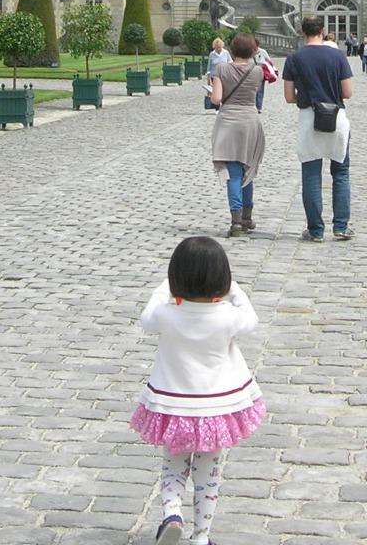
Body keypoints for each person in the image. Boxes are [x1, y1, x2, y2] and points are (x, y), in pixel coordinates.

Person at [131, 236, 265, 545]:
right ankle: (201, 537)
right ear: (222, 278)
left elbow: (146, 316)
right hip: (215, 410)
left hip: (173, 406)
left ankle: (172, 514)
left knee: (173, 467)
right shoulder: (228, 317)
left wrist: (165, 287)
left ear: (176, 276)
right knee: (209, 475)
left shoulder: (167, 316)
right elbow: (252, 319)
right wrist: (234, 290)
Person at [282, 15, 354, 241]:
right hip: (336, 117)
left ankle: (315, 230)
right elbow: (347, 92)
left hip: (308, 118)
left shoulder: (294, 58)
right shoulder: (337, 55)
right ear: (322, 31)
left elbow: (288, 97)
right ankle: (341, 226)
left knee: (311, 175)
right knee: (340, 173)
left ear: (303, 32)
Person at [209, 34, 265, 237]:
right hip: (250, 121)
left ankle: (236, 221)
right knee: (248, 170)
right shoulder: (257, 71)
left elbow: (216, 99)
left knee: (233, 173)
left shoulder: (222, 69)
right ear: (252, 52)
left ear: (231, 50)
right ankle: (247, 217)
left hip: (228, 121)